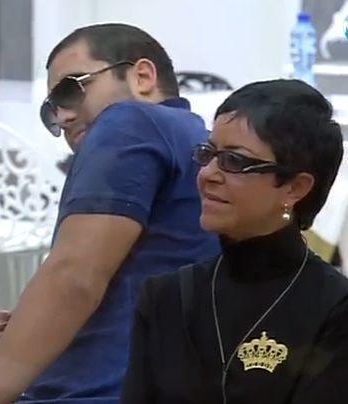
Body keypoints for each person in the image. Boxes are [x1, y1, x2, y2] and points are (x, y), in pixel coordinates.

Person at [0, 23, 220, 404]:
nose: (63, 116)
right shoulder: (193, 140)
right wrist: (28, 332)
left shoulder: (131, 121)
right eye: (51, 110)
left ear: (142, 77)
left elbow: (74, 280)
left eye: (71, 90)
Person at [120, 79, 348, 404]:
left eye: (235, 161)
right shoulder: (165, 298)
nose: (207, 175)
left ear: (295, 188)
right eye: (207, 154)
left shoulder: (334, 309)